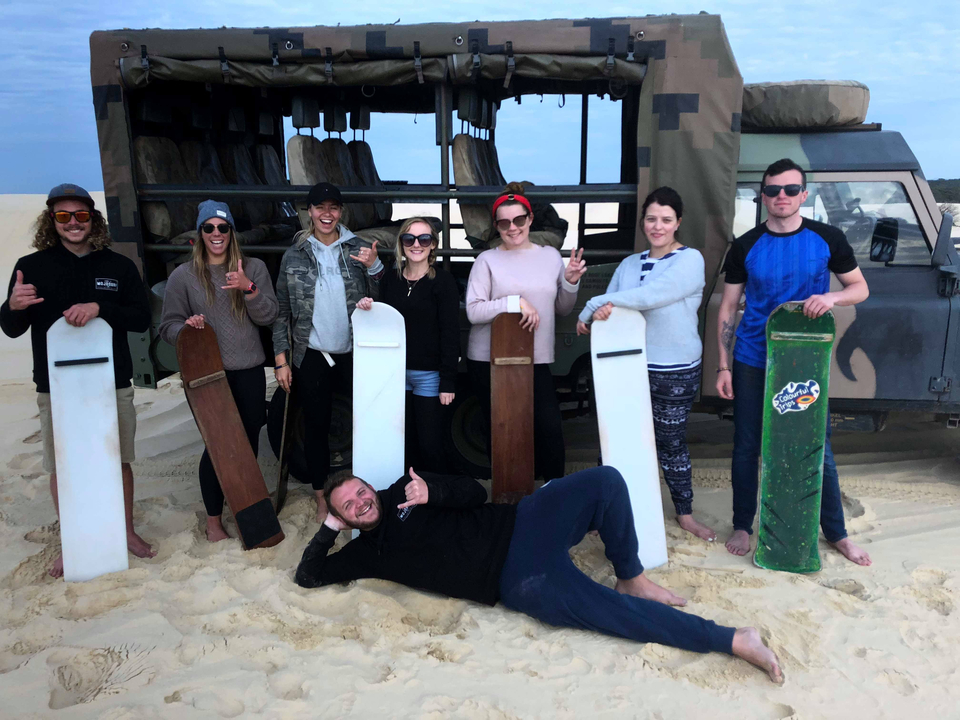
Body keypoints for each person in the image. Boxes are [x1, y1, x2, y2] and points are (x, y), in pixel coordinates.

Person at [295, 465, 783, 684]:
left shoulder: (405, 487)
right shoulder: (365, 554)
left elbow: (473, 490)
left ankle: (630, 573)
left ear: (367, 485)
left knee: (605, 481)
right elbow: (309, 576)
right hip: (515, 578)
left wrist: (432, 493)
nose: (362, 502)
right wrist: (328, 530)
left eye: (360, 492)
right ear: (346, 518)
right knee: (613, 616)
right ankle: (734, 639)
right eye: (348, 508)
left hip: (524, 520)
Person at [716, 158, 871, 565]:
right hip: (753, 356)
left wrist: (832, 297)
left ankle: (836, 533)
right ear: (762, 195)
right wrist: (723, 365)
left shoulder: (827, 238)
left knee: (816, 445)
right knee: (747, 445)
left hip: (803, 361)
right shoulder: (746, 244)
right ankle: (743, 525)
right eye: (772, 190)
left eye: (789, 190)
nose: (780, 197)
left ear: (804, 194)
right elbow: (729, 308)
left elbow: (859, 288)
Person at [0, 184, 156, 576]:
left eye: (81, 215)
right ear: (51, 221)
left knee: (117, 459)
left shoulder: (117, 266)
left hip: (113, 380)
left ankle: (126, 531)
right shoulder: (30, 267)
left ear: (93, 219)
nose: (73, 223)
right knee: (63, 464)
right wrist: (11, 306)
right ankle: (72, 540)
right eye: (64, 216)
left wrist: (100, 307)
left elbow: (140, 318)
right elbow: (12, 328)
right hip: (56, 387)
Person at [577, 187, 715, 542]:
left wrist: (595, 302)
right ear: (643, 221)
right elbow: (614, 309)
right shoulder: (628, 264)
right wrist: (601, 311)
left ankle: (684, 514)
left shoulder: (690, 260)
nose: (658, 226)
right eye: (651, 218)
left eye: (666, 220)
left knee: (670, 442)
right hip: (626, 365)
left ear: (678, 222)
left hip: (674, 368)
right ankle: (603, 510)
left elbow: (650, 297)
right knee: (615, 439)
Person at [159, 201, 279, 542]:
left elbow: (268, 316)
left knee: (248, 440)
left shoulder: (252, 268)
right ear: (199, 233)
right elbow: (166, 326)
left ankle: (244, 502)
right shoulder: (183, 276)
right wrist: (186, 328)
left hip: (250, 368)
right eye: (208, 228)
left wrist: (248, 288)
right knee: (217, 445)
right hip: (208, 376)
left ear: (231, 232)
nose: (216, 234)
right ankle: (213, 521)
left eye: (222, 228)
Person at [273, 182, 384, 522]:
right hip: (314, 353)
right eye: (319, 207)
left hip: (355, 351)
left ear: (340, 212)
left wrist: (375, 266)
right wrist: (281, 359)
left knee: (367, 423)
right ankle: (322, 497)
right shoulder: (294, 254)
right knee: (317, 427)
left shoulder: (359, 248)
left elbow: (382, 299)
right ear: (309, 212)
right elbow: (281, 311)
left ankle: (370, 489)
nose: (326, 214)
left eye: (333, 207)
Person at [465, 182, 586, 481]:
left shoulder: (549, 256)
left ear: (530, 219)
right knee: (504, 433)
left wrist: (570, 281)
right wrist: (514, 303)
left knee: (548, 429)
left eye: (519, 219)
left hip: (535, 358)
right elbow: (473, 311)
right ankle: (510, 500)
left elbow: (562, 308)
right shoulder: (487, 260)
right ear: (497, 226)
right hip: (490, 360)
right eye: (504, 222)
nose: (513, 227)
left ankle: (551, 496)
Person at [357, 218, 459, 472]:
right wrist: (367, 307)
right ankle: (406, 499)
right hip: (394, 375)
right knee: (401, 443)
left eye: (424, 239)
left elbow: (450, 333)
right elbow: (381, 320)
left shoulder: (443, 282)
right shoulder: (391, 280)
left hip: (429, 376)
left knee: (430, 444)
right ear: (401, 244)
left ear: (433, 245)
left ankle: (436, 497)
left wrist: (448, 381)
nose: (416, 244)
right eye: (409, 239)